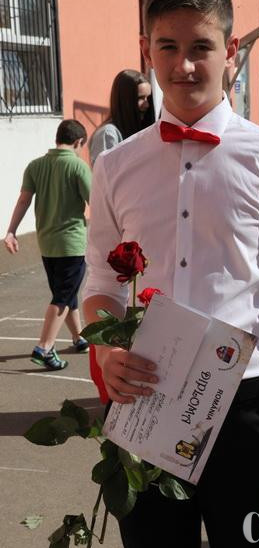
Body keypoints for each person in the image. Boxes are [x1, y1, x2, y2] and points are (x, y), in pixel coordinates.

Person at [83, 0, 259, 548]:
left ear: (231, 50)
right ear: (146, 49)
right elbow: (100, 285)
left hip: (248, 412)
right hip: (146, 404)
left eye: (201, 47)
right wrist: (106, 352)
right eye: (168, 46)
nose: (184, 65)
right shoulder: (115, 167)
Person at [88, 69, 155, 402]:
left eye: (147, 98)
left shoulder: (144, 133)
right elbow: (107, 187)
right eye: (139, 98)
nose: (145, 105)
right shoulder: (110, 135)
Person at [4, 119, 91, 370]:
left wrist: (11, 231)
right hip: (71, 243)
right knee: (63, 295)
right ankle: (44, 347)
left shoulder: (36, 165)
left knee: (65, 293)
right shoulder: (78, 166)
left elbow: (23, 201)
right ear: (79, 142)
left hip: (47, 243)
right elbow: (96, 200)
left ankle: (78, 337)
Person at [89, 69, 154, 166]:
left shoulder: (142, 130)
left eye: (148, 98)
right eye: (140, 98)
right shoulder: (108, 133)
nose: (147, 105)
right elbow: (106, 172)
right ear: (124, 100)